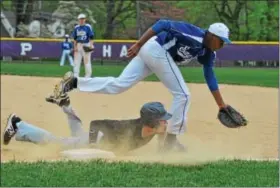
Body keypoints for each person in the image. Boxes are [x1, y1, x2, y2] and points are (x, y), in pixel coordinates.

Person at [49, 19, 232, 151]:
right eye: (221, 41)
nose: (223, 45)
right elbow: (162, 24)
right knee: (183, 95)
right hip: (154, 49)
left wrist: (221, 105)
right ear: (211, 35)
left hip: (156, 53)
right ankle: (169, 141)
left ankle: (73, 82)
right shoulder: (192, 33)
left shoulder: (208, 52)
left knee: (119, 85)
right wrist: (138, 44)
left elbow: (210, 76)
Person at [3, 95, 176, 154]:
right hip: (97, 139)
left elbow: (165, 147)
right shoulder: (128, 128)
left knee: (77, 132)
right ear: (151, 122)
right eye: (162, 119)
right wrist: (91, 145)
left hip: (97, 140)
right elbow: (96, 123)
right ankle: (18, 125)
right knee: (56, 142)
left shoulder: (155, 130)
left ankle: (66, 104)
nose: (165, 122)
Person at [72, 13, 94, 78]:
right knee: (76, 61)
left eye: (83, 19)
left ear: (85, 19)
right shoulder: (76, 27)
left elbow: (91, 37)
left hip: (86, 45)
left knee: (87, 61)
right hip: (78, 45)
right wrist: (75, 46)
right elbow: (75, 38)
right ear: (78, 20)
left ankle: (88, 76)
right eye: (80, 19)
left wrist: (91, 45)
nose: (82, 20)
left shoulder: (88, 26)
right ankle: (76, 76)